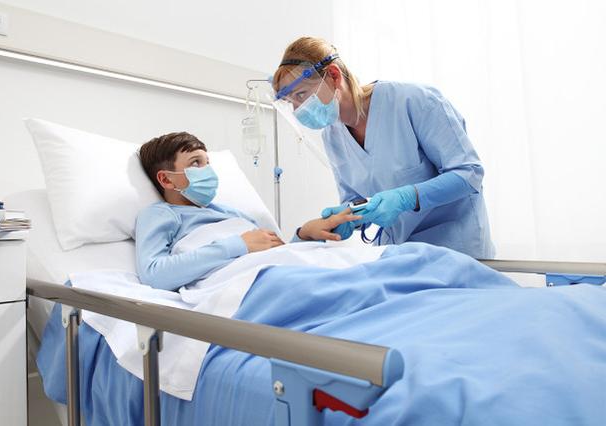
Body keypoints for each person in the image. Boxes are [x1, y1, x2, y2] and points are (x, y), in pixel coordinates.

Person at [272, 37, 495, 259]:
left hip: (456, 250)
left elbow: (469, 174)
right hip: (400, 255)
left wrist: (406, 197)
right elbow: (357, 199)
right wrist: (348, 216)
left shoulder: (415, 101)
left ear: (333, 75)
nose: (298, 109)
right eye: (291, 102)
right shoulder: (332, 136)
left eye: (301, 95)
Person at [136, 132, 360, 291]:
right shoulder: (162, 214)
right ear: (166, 179)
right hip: (253, 281)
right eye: (196, 163)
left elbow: (278, 253)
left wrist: (305, 235)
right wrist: (239, 244)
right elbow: (154, 275)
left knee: (358, 265)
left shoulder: (232, 213)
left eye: (207, 162)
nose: (207, 170)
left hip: (280, 269)